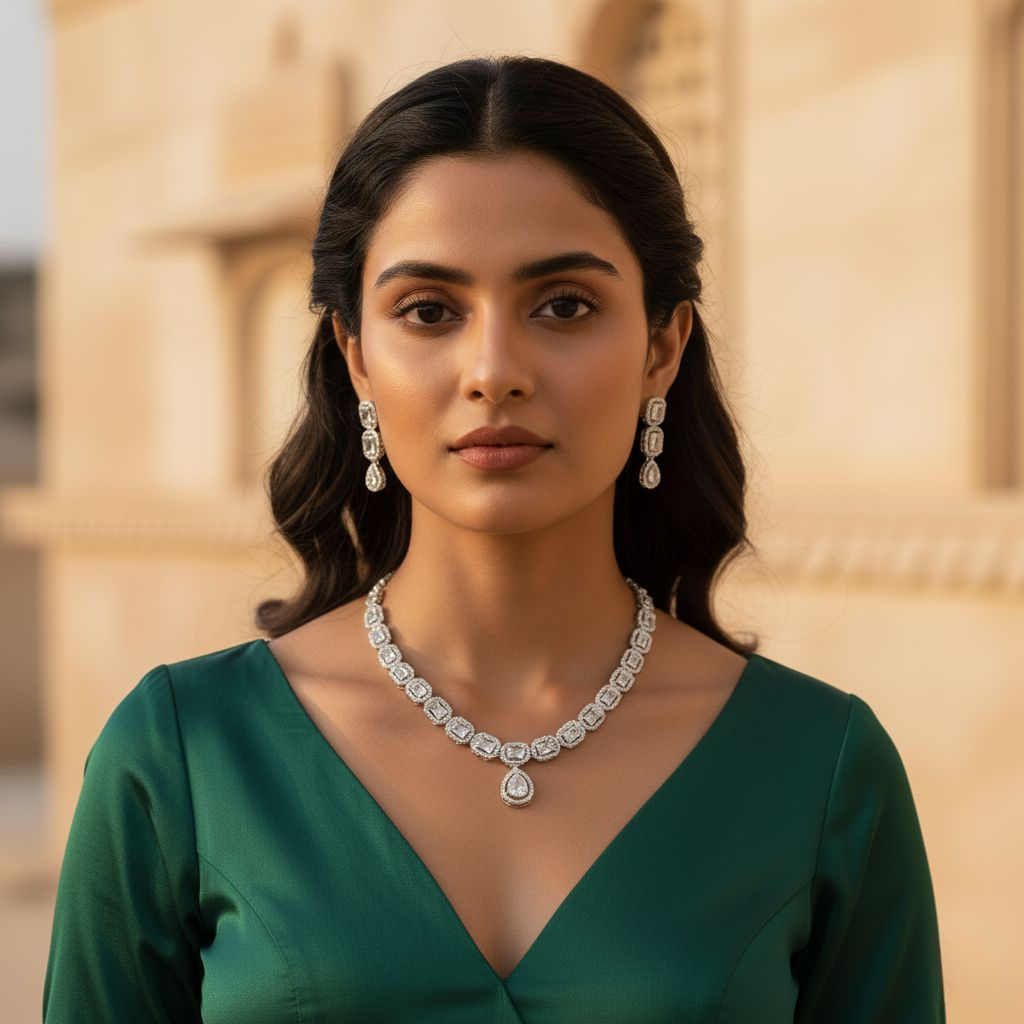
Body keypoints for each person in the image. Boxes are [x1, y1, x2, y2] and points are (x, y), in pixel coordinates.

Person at [42, 55, 945, 1022]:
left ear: (661, 345)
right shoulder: (184, 756)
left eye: (564, 305)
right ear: (355, 355)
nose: (493, 369)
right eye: (428, 311)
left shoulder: (818, 768)